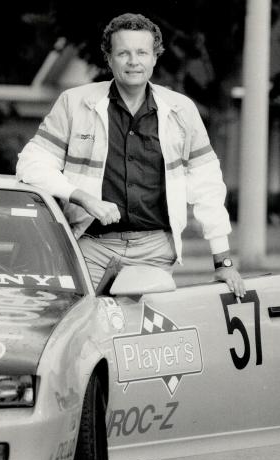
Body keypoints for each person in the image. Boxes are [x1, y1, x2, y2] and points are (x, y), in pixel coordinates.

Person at [16, 12, 245, 298]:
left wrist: (222, 260)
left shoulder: (181, 110)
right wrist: (83, 198)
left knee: (145, 335)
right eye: (123, 53)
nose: (133, 61)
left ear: (154, 58)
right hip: (91, 245)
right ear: (109, 58)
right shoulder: (74, 104)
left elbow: (207, 185)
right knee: (79, 328)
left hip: (154, 250)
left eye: (142, 52)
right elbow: (31, 165)